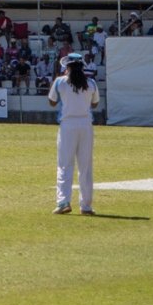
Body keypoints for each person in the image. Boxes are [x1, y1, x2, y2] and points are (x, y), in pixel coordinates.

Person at [47, 52, 100, 214]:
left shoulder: (60, 82)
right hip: (85, 124)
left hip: (67, 125)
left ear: (67, 67)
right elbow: (95, 104)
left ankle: (63, 202)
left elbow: (52, 101)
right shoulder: (90, 83)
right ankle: (86, 205)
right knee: (85, 167)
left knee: (64, 164)